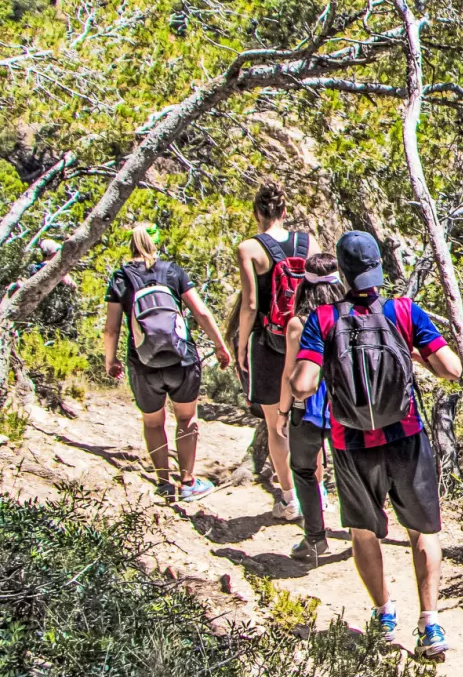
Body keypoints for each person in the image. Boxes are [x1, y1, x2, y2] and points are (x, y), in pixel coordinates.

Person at [289, 230, 461, 658]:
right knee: (422, 531)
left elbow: (303, 385)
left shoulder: (323, 319)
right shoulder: (404, 311)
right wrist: (417, 357)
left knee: (364, 532)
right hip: (406, 435)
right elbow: (452, 369)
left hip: (351, 442)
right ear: (378, 267)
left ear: (343, 274)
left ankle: (384, 615)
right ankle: (430, 624)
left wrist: (305, 373)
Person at [103, 226, 232, 500]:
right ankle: (187, 482)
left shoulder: (120, 277)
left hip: (143, 362)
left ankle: (163, 483)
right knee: (186, 419)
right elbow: (201, 312)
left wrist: (110, 360)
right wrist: (220, 345)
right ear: (156, 243)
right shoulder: (172, 271)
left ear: (131, 245)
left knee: (152, 423)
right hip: (181, 360)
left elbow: (111, 328)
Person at [236, 181, 318, 522]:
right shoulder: (309, 243)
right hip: (306, 341)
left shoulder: (249, 248)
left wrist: (242, 344)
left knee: (275, 426)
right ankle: (317, 493)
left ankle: (289, 498)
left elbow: (250, 304)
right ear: (285, 211)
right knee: (309, 421)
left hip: (269, 342)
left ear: (257, 213)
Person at [279, 252, 344, 563]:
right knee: (350, 469)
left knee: (304, 469)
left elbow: (289, 374)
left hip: (306, 406)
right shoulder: (349, 316)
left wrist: (282, 413)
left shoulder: (298, 323)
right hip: (345, 404)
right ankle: (366, 532)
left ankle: (315, 539)